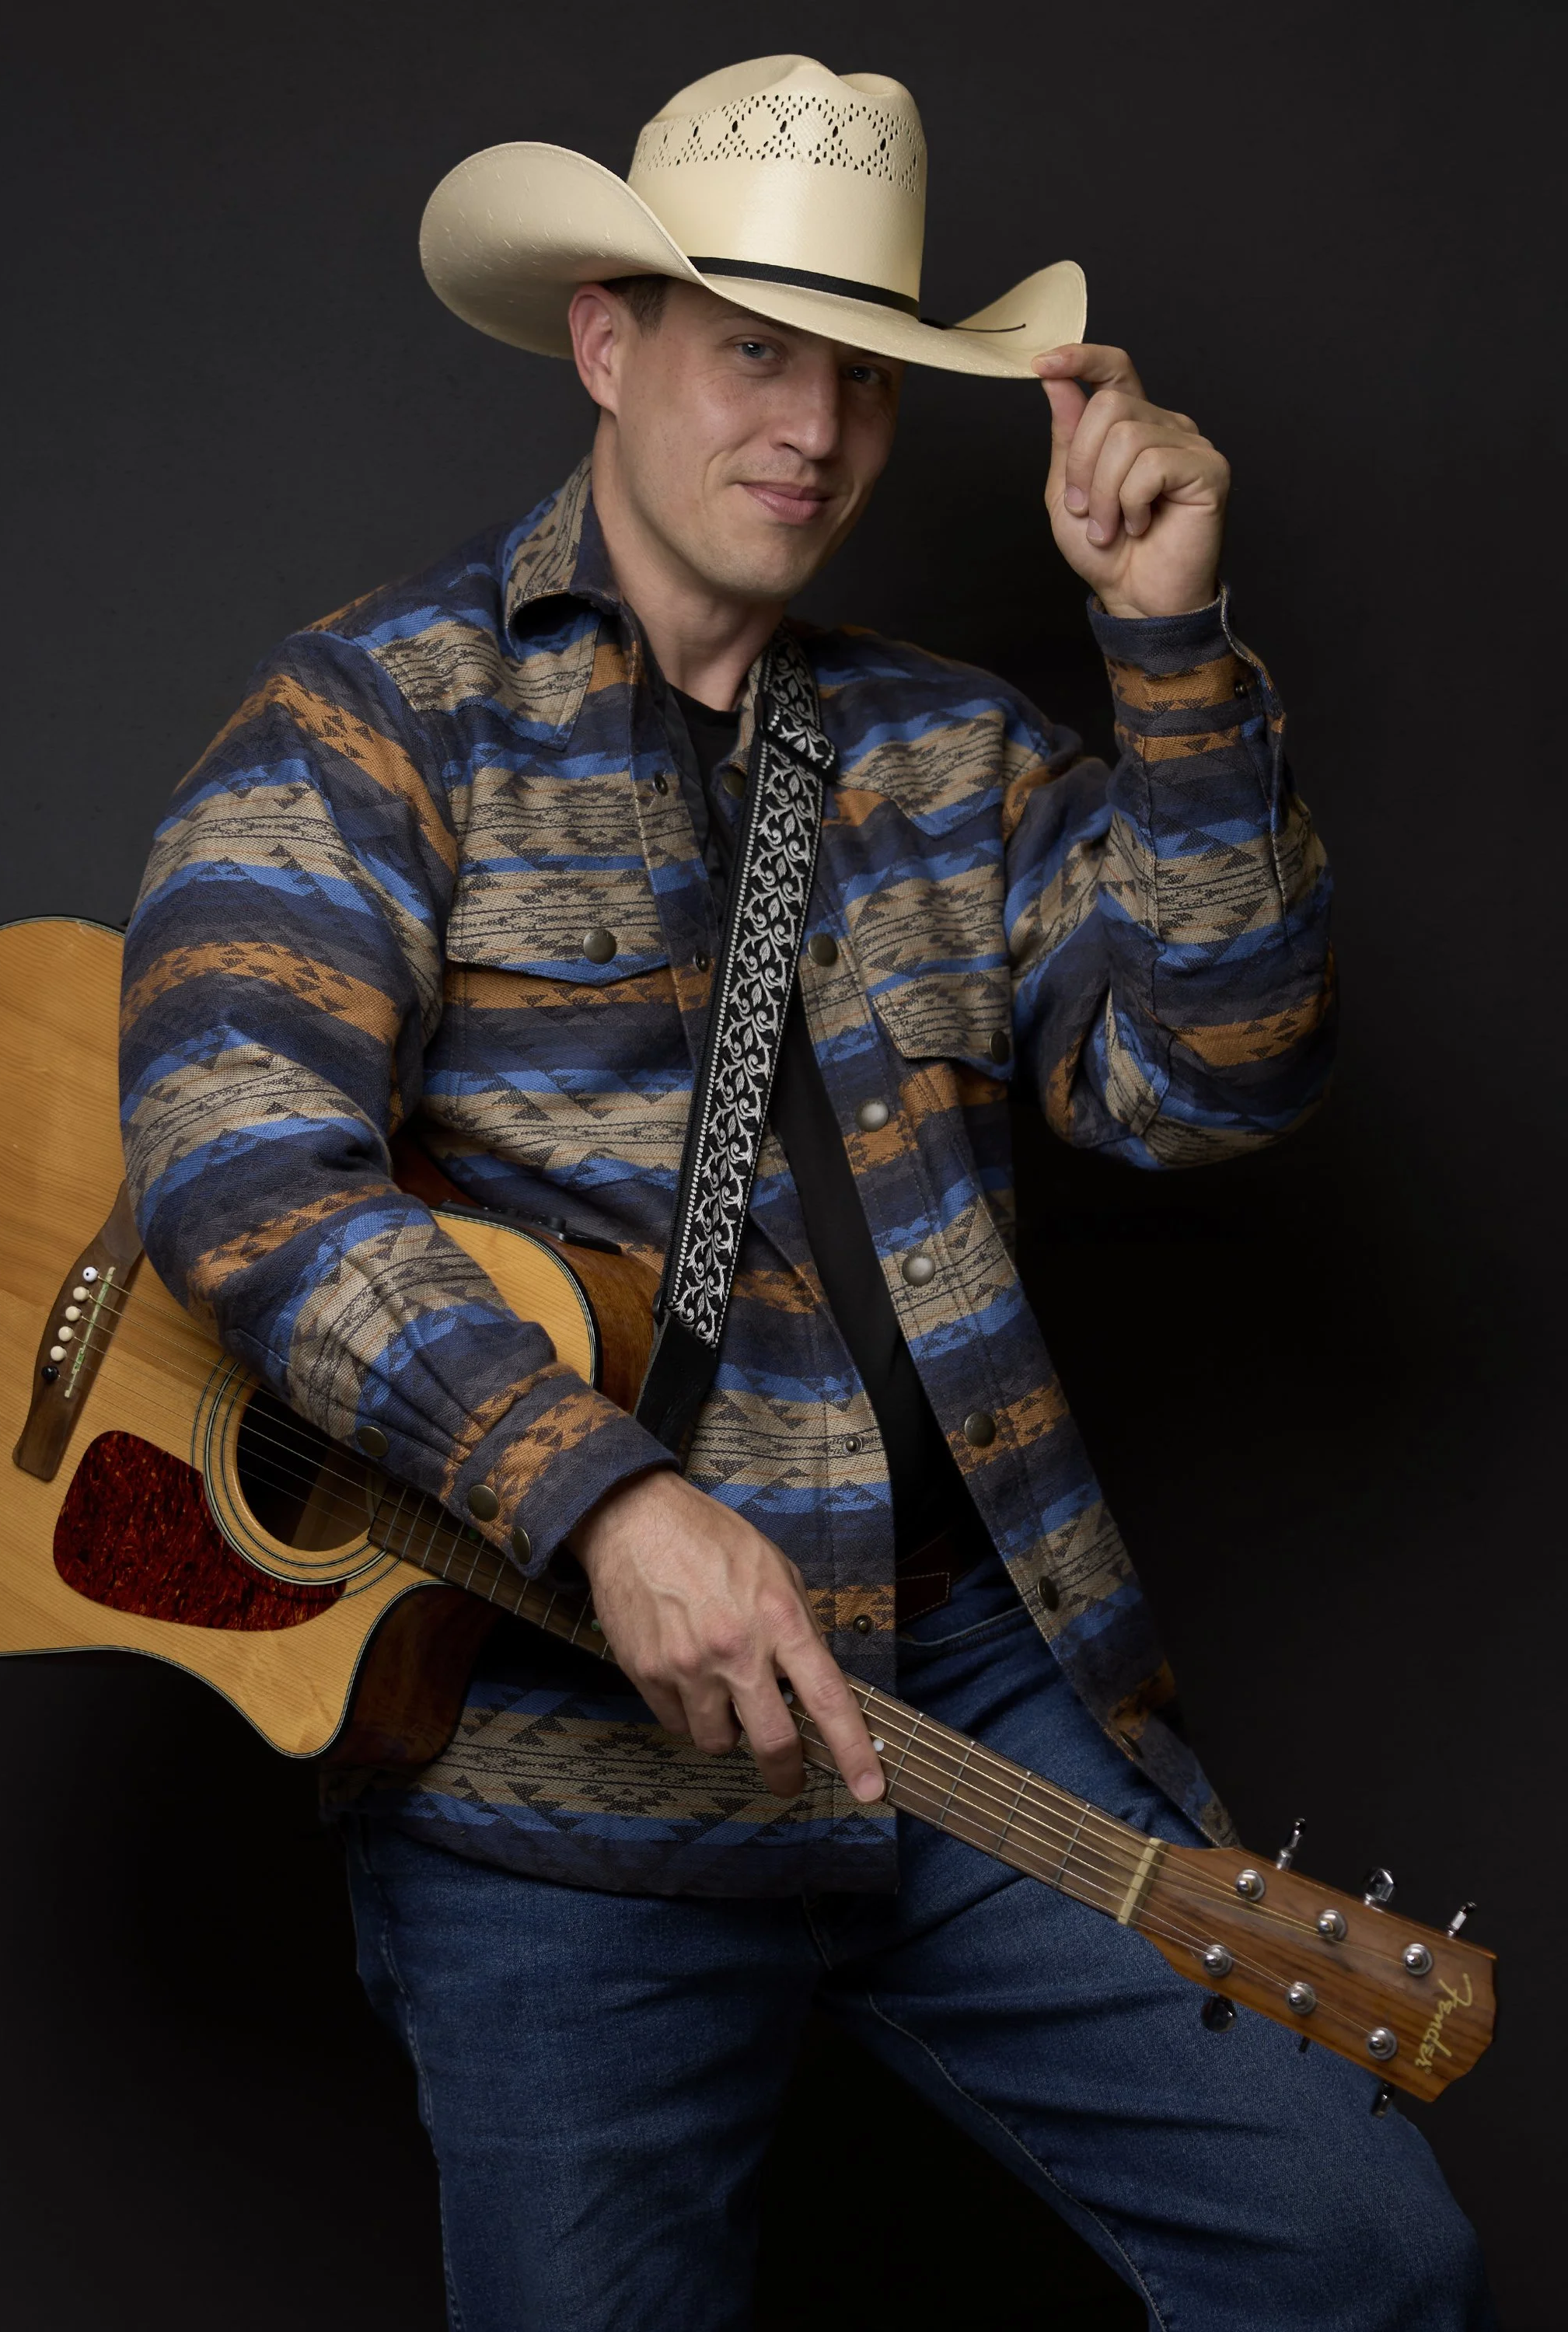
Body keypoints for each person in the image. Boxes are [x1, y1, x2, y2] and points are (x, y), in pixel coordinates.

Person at [119, 53, 1492, 2332]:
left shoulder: (955, 749)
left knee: (1364, 2257)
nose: (819, 429)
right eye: (758, 352)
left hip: (972, 1693)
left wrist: (1168, 646)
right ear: (605, 342)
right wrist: (597, 1495)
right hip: (555, 1776)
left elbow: (1216, 1081)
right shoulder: (378, 718)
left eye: (863, 376)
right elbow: (231, 1150)